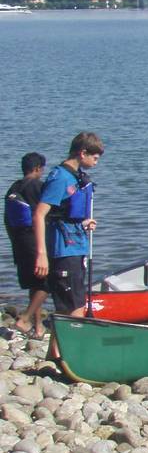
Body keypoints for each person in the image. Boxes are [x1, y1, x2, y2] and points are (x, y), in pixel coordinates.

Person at [32, 133, 103, 340]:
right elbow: (40, 214)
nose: (96, 163)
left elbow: (61, 213)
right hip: (64, 249)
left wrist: (82, 222)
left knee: (67, 306)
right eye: (95, 158)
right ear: (83, 153)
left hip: (75, 245)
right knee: (75, 308)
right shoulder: (60, 177)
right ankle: (74, 354)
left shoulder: (74, 176)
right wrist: (41, 254)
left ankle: (56, 355)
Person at [4, 152, 47, 335]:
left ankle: (38, 327)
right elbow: (45, 215)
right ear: (38, 169)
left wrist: (13, 241)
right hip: (34, 239)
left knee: (34, 283)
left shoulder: (13, 188)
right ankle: (25, 318)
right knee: (48, 282)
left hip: (18, 240)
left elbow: (6, 219)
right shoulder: (38, 187)